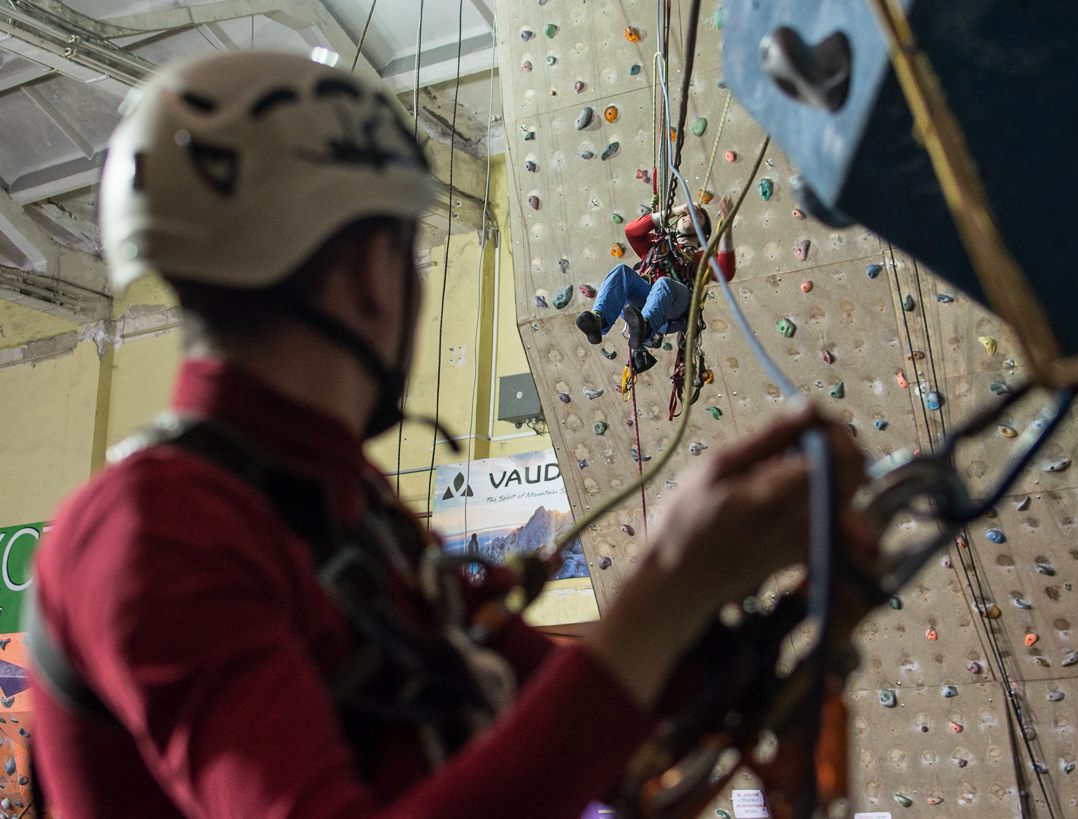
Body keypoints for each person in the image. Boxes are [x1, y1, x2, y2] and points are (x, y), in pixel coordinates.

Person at [27, 51, 877, 818]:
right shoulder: (156, 532)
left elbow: (569, 711)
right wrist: (669, 588)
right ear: (371, 272)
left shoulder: (343, 515)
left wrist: (739, 638)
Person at [576, 196, 735, 350]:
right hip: (644, 299)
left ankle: (645, 329)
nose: (690, 216)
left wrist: (726, 230)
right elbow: (631, 231)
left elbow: (725, 273)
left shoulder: (702, 258)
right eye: (686, 214)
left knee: (664, 283)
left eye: (698, 216)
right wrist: (674, 211)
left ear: (703, 233)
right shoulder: (656, 244)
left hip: (675, 309)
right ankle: (599, 321)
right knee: (621, 271)